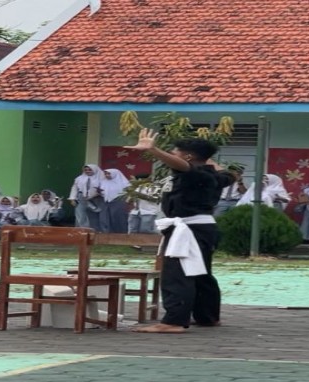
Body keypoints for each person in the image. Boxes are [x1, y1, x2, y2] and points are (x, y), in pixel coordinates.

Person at [125, 129, 234, 334]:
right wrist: (205, 154)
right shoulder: (216, 176)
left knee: (177, 273)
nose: (172, 154)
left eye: (175, 151)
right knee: (200, 273)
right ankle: (207, 316)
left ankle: (173, 321)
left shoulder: (195, 174)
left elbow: (183, 165)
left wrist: (154, 150)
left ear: (189, 157)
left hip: (189, 229)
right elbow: (228, 174)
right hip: (201, 228)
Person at [68, 164, 102, 229]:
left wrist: (94, 195)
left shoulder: (101, 178)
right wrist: (72, 199)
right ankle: (82, 231)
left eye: (90, 170)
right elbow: (74, 188)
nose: (87, 171)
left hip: (95, 198)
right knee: (80, 215)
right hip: (81, 197)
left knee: (94, 215)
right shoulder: (79, 178)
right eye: (86, 170)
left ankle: (94, 231)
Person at [98, 168, 131, 233]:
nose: (107, 175)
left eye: (109, 174)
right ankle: (107, 233)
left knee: (118, 218)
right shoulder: (103, 181)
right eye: (106, 174)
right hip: (106, 202)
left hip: (119, 202)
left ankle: (121, 233)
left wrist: (127, 201)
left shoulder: (124, 183)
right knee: (105, 218)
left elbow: (129, 193)